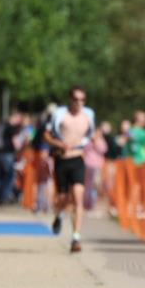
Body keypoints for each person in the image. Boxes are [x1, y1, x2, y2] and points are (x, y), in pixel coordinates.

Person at [44, 85, 97, 253]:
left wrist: (91, 142)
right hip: (62, 159)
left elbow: (91, 134)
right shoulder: (59, 114)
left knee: (78, 197)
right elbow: (46, 134)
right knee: (62, 198)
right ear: (70, 100)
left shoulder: (89, 115)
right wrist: (59, 143)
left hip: (78, 159)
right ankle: (59, 215)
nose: (79, 103)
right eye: (76, 99)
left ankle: (76, 237)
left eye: (82, 99)